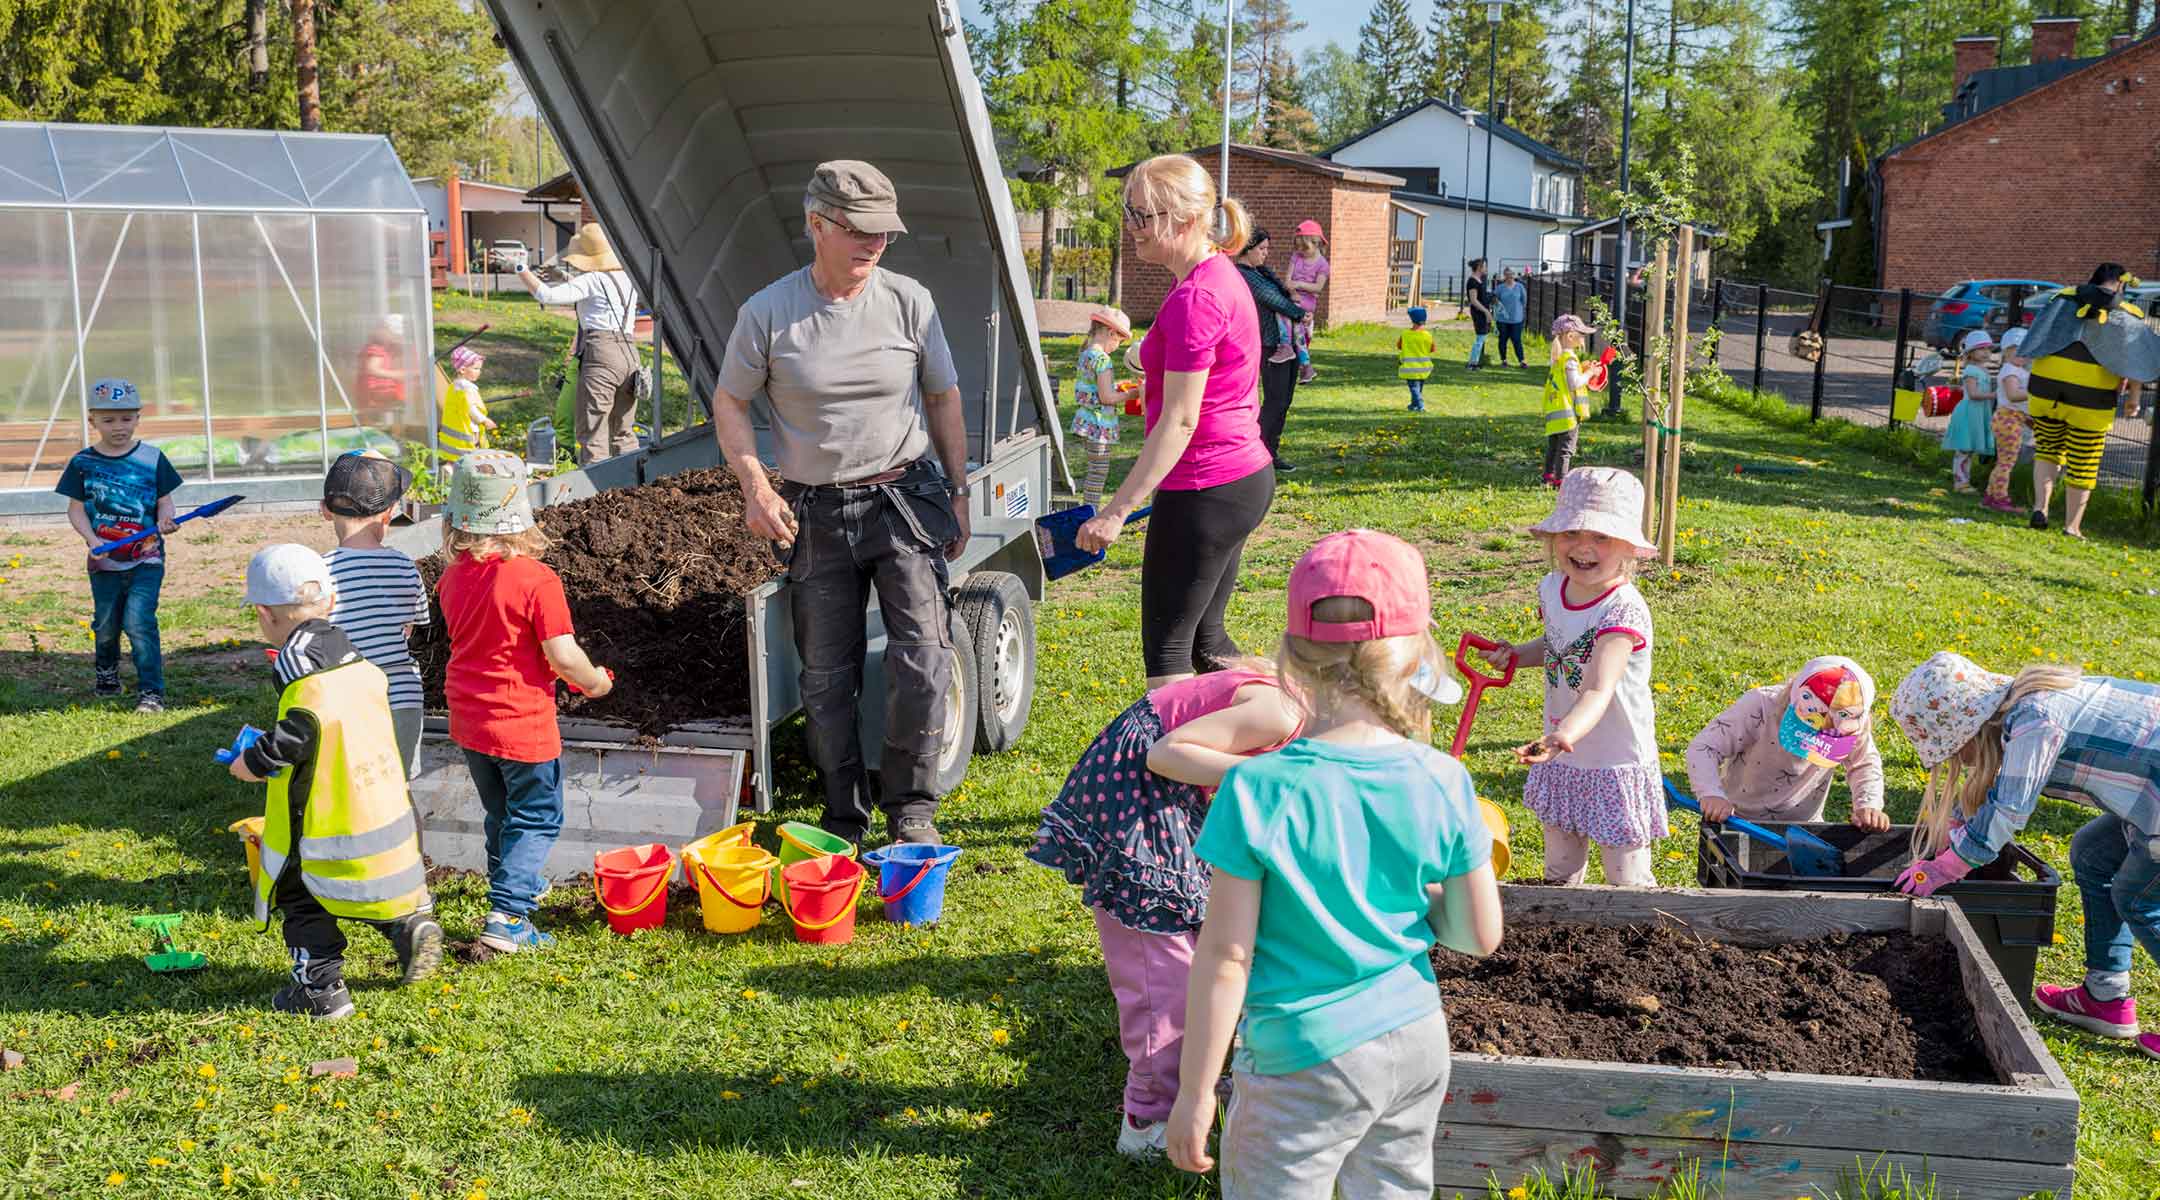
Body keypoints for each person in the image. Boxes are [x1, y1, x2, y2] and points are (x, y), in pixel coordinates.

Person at [1166, 529, 1503, 1195]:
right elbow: (1478, 936)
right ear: (1414, 656)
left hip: (1301, 1058)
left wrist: (1195, 1091)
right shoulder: (1443, 779)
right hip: (1414, 1040)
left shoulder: (1256, 788)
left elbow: (1227, 957)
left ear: (1291, 656)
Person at [711, 160, 969, 847]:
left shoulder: (909, 300)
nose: (875, 247)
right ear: (816, 225)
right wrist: (755, 486)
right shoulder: (769, 313)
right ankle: (842, 814)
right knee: (826, 678)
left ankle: (911, 806)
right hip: (813, 512)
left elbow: (942, 395)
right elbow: (730, 402)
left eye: (885, 235)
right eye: (861, 233)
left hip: (903, 498)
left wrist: (960, 485)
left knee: (924, 659)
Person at [1027, 661, 1303, 1158]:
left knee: (1196, 943)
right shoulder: (1281, 711)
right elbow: (1167, 753)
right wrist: (1268, 775)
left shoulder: (1303, 710)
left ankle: (1186, 1078)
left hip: (1165, 797)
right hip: (1134, 799)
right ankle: (1147, 1121)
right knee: (1163, 975)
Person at [1889, 652, 2160, 1063]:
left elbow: (2011, 809)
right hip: (2149, 796)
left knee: (2137, 897)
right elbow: (1996, 787)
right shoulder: (2020, 707)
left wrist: (1948, 866)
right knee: (2092, 854)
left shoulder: (2036, 718)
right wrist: (1955, 832)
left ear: (1967, 728)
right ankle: (2105, 997)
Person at [1077, 154, 1275, 687]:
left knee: (1167, 662)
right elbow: (1216, 380)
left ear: (1185, 222)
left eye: (1143, 216)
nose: (1131, 227)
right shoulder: (1214, 276)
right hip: (1239, 480)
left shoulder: (1197, 296)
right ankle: (1292, 715)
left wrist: (1115, 513)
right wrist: (1153, 377)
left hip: (1205, 489)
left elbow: (1182, 423)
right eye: (1129, 212)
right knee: (1209, 647)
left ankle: (1181, 769)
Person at [229, 544, 442, 1020]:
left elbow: (301, 730)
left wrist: (254, 761)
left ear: (265, 614)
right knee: (372, 884)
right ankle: (408, 931)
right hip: (378, 803)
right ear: (330, 601)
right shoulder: (352, 654)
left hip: (328, 815)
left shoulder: (297, 664)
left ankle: (320, 989)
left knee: (303, 895)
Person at [435, 450, 614, 951]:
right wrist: (595, 682)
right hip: (522, 724)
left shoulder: (451, 578)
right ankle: (509, 917)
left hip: (470, 720)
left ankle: (512, 888)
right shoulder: (538, 579)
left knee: (502, 813)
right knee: (537, 815)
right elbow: (563, 657)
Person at [1479, 467, 1663, 886]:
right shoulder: (1553, 587)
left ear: (1629, 548)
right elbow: (1561, 645)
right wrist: (1516, 655)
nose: (1583, 547)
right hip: (1563, 754)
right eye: (1571, 533)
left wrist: (1565, 734)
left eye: (1601, 537)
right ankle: (1562, 919)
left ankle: (1641, 933)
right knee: (1559, 872)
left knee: (1627, 880)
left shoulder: (1622, 612)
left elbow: (1600, 686)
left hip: (1612, 759)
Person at [58, 378, 181, 713]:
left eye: (126, 418)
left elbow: (165, 501)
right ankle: (107, 674)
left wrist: (167, 519)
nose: (118, 427)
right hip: (104, 559)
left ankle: (151, 693)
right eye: (108, 419)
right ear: (92, 421)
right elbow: (76, 509)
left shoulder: (153, 458)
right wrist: (93, 540)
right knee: (107, 623)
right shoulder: (83, 463)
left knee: (139, 621)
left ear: (138, 418)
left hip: (147, 555)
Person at [2023, 263, 2160, 538]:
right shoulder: (2127, 312)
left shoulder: (2060, 299)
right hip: (2091, 397)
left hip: (2044, 388)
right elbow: (2132, 359)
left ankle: (2041, 508)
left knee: (2048, 449)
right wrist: (2134, 396)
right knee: (2084, 459)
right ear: (2121, 285)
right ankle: (2072, 526)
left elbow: (2038, 334)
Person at [320, 451, 431, 777]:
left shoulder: (321, 572)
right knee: (399, 791)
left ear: (325, 511)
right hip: (402, 698)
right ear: (390, 513)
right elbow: (411, 627)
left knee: (351, 792)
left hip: (346, 700)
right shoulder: (404, 566)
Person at [1684, 657, 1889, 830]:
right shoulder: (1761, 706)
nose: (1814, 738)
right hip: (1736, 820)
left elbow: (1864, 764)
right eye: (1808, 727)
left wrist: (1868, 805)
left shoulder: (1852, 728)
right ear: (1792, 696)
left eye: (1827, 736)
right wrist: (1711, 793)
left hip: (1805, 826)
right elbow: (1705, 747)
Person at [517, 223, 643, 465]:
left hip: (602, 354)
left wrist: (521, 269)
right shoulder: (628, 278)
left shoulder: (593, 279)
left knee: (594, 432)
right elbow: (600, 298)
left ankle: (600, 495)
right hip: (630, 355)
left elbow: (547, 295)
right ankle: (634, 487)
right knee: (623, 430)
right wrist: (564, 278)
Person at [1233, 229, 1308, 473]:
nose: (1265, 254)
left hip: (1287, 342)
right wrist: (1299, 313)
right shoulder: (1244, 275)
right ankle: (1259, 452)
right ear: (1248, 249)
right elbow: (1271, 299)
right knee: (1275, 401)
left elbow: (1282, 293)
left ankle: (1270, 451)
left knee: (1284, 401)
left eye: (1267, 249)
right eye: (1262, 249)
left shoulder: (1260, 272)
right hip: (1269, 345)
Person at [1071, 307, 1132, 507]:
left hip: (1085, 422)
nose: (1117, 346)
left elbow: (1095, 388)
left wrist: (1118, 386)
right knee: (1098, 474)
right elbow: (1107, 398)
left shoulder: (1086, 353)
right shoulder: (1103, 360)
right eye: (1119, 341)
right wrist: (1134, 393)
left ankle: (1088, 509)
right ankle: (1090, 513)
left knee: (1093, 472)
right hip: (1099, 427)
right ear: (1111, 332)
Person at [1982, 327, 2034, 515]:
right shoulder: (2011, 370)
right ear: (2006, 352)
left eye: (2026, 352)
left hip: (2013, 419)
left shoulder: (2017, 369)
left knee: (2004, 460)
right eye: (2018, 352)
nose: (2023, 356)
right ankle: (2000, 498)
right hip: (2008, 419)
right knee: (2007, 462)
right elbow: (2013, 395)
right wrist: (2034, 394)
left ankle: (1990, 495)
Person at [1541, 315, 1594, 486]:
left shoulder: (1558, 358)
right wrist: (1590, 374)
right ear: (1570, 336)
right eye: (1582, 334)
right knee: (1566, 450)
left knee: (1554, 448)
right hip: (1569, 414)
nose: (1584, 337)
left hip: (1556, 413)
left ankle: (1548, 477)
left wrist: (1582, 369)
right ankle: (1561, 481)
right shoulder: (1570, 359)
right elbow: (1574, 383)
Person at [1943, 330, 1996, 494]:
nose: (1986, 352)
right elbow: (1973, 394)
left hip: (1978, 412)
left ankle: (1965, 480)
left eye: (1988, 349)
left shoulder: (1983, 370)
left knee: (1970, 448)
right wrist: (1994, 395)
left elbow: (1967, 390)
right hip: (1970, 413)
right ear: (1971, 353)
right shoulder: (1971, 371)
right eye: (1981, 349)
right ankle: (1960, 482)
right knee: (1964, 448)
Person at [1284, 221, 1329, 384]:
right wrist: (1293, 291)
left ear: (1316, 243)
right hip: (1293, 296)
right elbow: (1288, 279)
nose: (1301, 251)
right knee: (1295, 325)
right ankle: (1304, 364)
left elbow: (1318, 288)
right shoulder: (1296, 257)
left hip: (1308, 300)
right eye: (1298, 248)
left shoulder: (1322, 264)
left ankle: (1287, 347)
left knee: (1290, 316)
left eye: (1305, 248)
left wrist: (1300, 285)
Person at [438, 345, 496, 462]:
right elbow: (471, 410)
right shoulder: (467, 390)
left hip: (454, 436)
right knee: (471, 459)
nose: (479, 372)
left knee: (454, 459)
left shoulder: (454, 386)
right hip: (468, 433)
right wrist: (484, 420)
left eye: (480, 369)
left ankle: (448, 473)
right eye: (475, 368)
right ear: (463, 370)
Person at [355, 315, 409, 419]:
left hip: (379, 393)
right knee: (395, 407)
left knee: (394, 407)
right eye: (393, 335)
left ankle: (390, 428)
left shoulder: (386, 349)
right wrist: (396, 375)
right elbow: (371, 369)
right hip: (373, 393)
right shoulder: (376, 349)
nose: (396, 339)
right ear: (381, 331)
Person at [1398, 306, 1435, 412]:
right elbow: (1432, 349)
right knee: (1418, 388)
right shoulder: (1428, 335)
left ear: (1412, 319)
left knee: (1414, 388)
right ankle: (1413, 405)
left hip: (1410, 368)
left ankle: (1420, 405)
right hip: (1424, 368)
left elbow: (1399, 346)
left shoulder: (1405, 334)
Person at [1493, 268, 1529, 367]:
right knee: (1503, 340)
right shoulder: (1500, 288)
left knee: (1517, 340)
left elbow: (1524, 301)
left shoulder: (1520, 287)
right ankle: (1503, 360)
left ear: (1514, 275)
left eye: (1511, 274)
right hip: (1502, 319)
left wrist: (1519, 312)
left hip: (1517, 319)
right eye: (1507, 275)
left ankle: (1522, 360)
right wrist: (1496, 301)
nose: (1509, 277)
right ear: (1504, 276)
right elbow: (1494, 299)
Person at [1463, 258, 1493, 370]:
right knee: (1480, 339)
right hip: (1479, 313)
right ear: (1479, 267)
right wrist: (1486, 312)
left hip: (1483, 313)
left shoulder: (1480, 280)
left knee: (1481, 338)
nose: (1486, 269)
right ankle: (1472, 363)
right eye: (1484, 266)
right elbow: (1474, 300)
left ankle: (1473, 362)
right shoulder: (1472, 281)